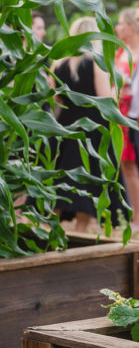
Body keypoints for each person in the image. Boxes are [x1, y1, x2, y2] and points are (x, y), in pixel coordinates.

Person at [51, 17, 117, 232]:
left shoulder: (60, 62)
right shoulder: (97, 61)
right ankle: (79, 233)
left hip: (66, 124)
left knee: (63, 178)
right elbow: (105, 98)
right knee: (87, 180)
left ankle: (52, 229)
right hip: (92, 127)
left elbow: (55, 96)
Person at [114, 8, 139, 229]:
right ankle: (133, 215)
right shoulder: (119, 53)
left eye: (121, 24)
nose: (117, 28)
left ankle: (138, 218)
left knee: (131, 166)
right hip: (119, 113)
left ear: (131, 26)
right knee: (124, 165)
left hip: (134, 115)